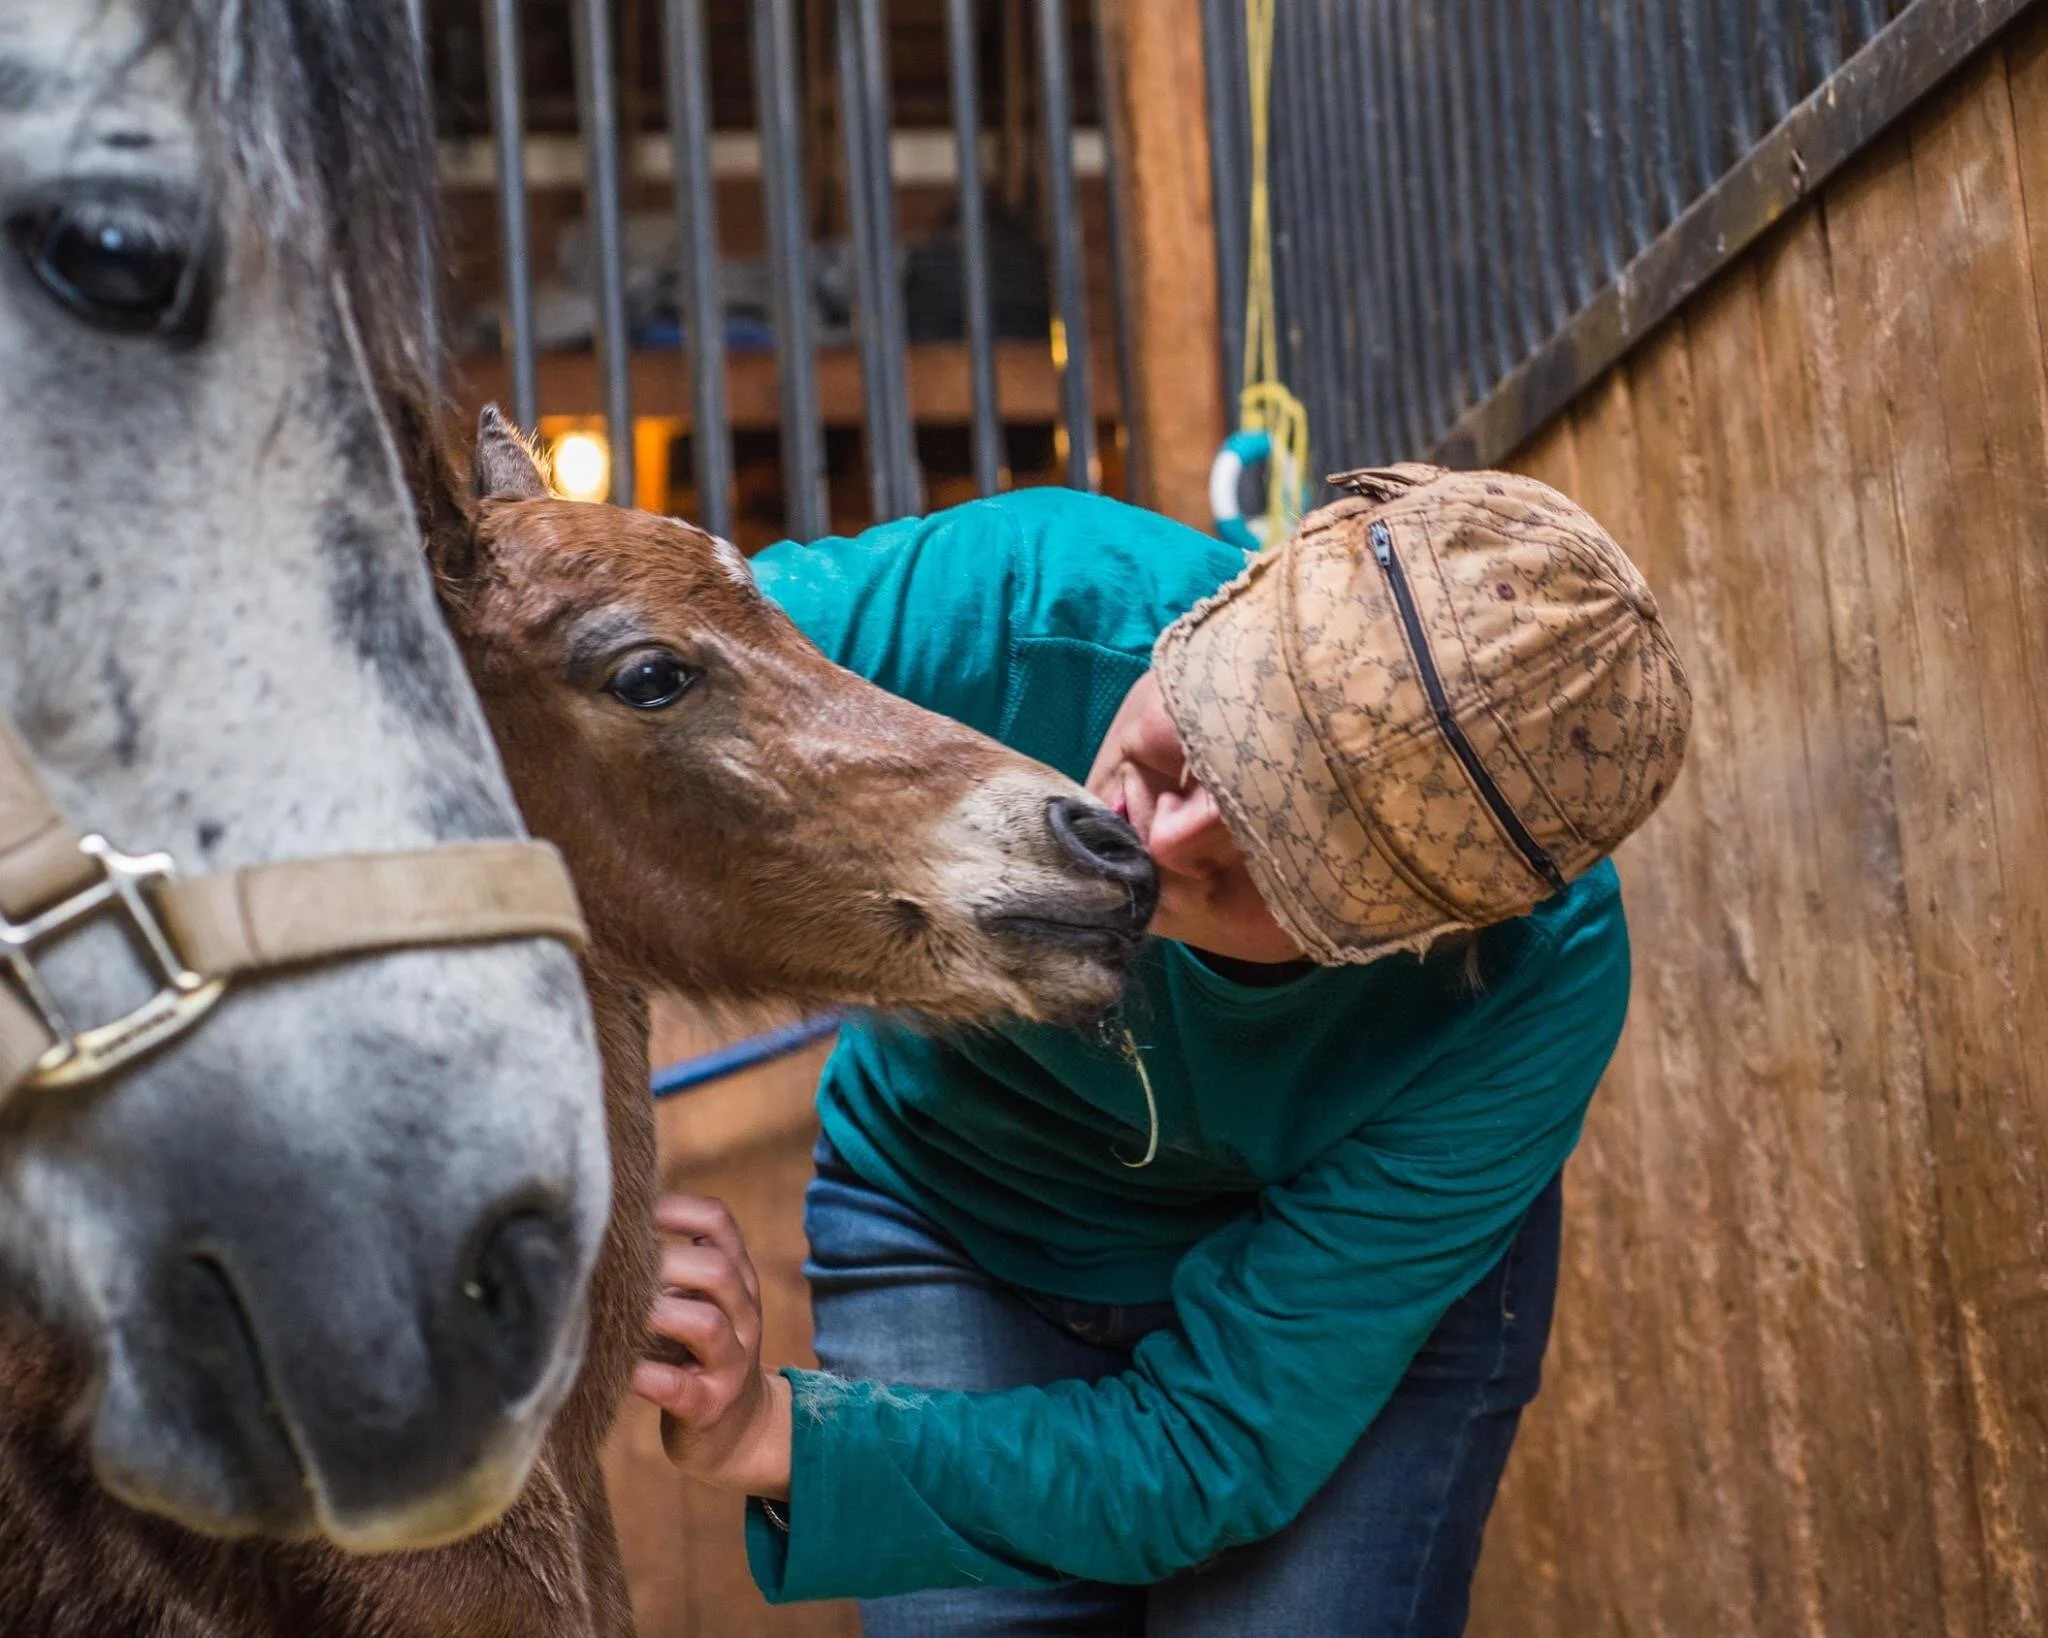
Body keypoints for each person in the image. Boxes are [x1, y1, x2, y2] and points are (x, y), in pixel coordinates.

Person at [630, 463, 1691, 1636]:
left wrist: (772, 1435)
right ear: (1229, 604)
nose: (1155, 834)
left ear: (1408, 937)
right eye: (1200, 738)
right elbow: (580, 706)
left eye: (1250, 876)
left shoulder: (1532, 984)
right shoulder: (1026, 604)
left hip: (1305, 1310)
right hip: (958, 1205)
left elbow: (1205, 1450)